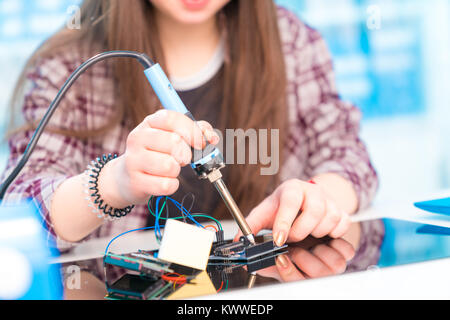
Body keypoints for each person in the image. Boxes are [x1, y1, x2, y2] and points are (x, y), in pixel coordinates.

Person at [3, 0, 378, 252]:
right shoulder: (68, 66)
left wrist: (317, 196)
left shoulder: (291, 41)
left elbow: (347, 154)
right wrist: (113, 184)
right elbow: (18, 211)